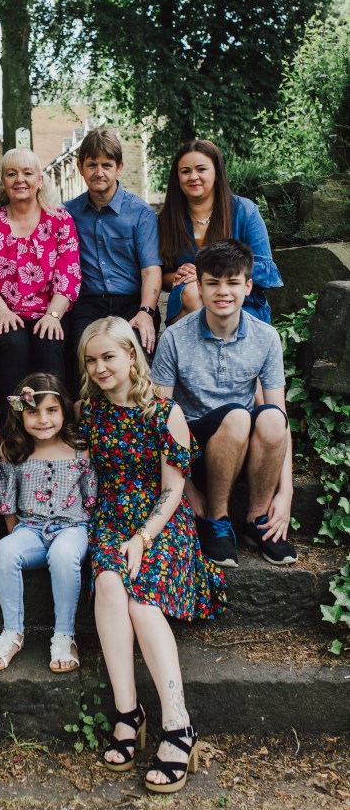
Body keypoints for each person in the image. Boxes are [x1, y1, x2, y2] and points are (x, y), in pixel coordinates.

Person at [78, 317, 225, 793]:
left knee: (142, 603)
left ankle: (178, 724)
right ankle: (128, 712)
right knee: (107, 584)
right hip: (110, 518)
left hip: (161, 521)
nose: (100, 368)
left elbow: (173, 487)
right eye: (91, 360)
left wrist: (143, 537)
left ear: (131, 355)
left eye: (108, 356)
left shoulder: (165, 412)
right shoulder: (89, 412)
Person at [151, 239, 297, 568]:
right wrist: (186, 488)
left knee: (273, 418)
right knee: (238, 416)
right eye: (213, 283)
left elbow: (282, 420)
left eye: (232, 282)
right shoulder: (174, 338)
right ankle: (216, 520)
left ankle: (259, 520)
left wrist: (285, 493)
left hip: (245, 451)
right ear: (199, 288)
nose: (223, 292)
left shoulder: (266, 337)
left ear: (247, 287)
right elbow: (159, 418)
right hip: (195, 452)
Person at [0, 373, 97, 674]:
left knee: (62, 554)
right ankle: (12, 633)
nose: (43, 420)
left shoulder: (80, 448)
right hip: (30, 529)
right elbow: (7, 503)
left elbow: (90, 498)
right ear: (20, 414)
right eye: (33, 412)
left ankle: (64, 636)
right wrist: (17, 539)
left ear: (64, 411)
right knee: (4, 551)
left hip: (73, 528)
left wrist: (86, 539)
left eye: (52, 410)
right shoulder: (13, 451)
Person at [0, 149, 81, 406]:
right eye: (11, 174)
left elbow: (69, 274)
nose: (19, 179)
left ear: (39, 180)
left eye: (27, 173)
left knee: (49, 340)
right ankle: (13, 422)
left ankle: (53, 418)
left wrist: (53, 315)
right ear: (3, 182)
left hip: (51, 310)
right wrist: (2, 311)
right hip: (2, 311)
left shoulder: (60, 220)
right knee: (13, 343)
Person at [157, 139, 283, 325]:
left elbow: (267, 272)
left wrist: (210, 273)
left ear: (216, 173)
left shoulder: (245, 211)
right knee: (192, 291)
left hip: (242, 304)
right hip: (189, 302)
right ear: (177, 177)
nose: (193, 177)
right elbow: (161, 276)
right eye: (185, 171)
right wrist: (178, 275)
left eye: (201, 169)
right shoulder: (168, 219)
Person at [65, 128, 162, 359]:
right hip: (88, 303)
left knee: (135, 351)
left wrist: (146, 311)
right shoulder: (67, 214)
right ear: (80, 167)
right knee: (83, 352)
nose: (99, 172)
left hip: (133, 302)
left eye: (107, 165)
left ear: (119, 167)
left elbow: (151, 270)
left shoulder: (140, 213)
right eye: (92, 165)